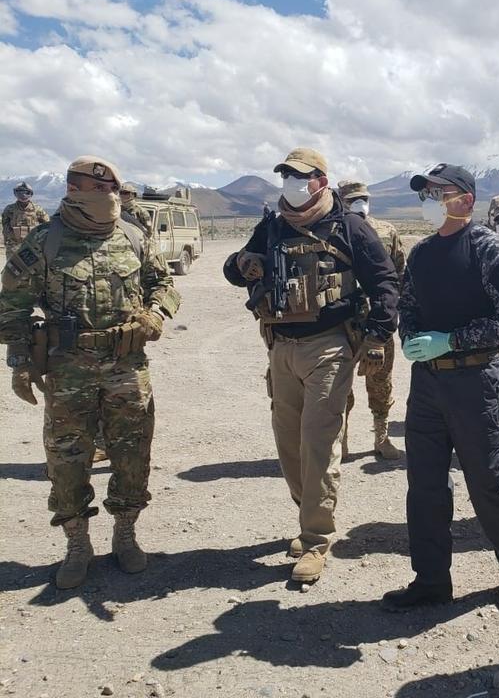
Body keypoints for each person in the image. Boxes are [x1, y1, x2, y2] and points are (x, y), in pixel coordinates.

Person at [0, 156, 180, 589]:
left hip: (127, 365)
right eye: (100, 189)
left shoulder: (133, 235)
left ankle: (126, 532)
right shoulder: (45, 241)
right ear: (74, 190)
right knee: (67, 459)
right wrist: (19, 361)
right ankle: (77, 543)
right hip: (68, 369)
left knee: (133, 453)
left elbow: (164, 284)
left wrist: (155, 314)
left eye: (113, 189)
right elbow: (12, 305)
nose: (110, 196)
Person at [224, 148, 398, 585]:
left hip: (329, 347)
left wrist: (377, 336)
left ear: (320, 181)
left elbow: (385, 282)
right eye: (285, 175)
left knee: (318, 442)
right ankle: (308, 515)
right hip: (280, 346)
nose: (291, 183)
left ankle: (317, 539)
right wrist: (244, 264)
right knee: (288, 444)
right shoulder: (273, 225)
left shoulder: (349, 227)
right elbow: (233, 270)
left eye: (299, 176)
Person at [381, 163, 499, 613]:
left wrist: (452, 340)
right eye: (425, 193)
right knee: (424, 485)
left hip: (475, 381)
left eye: (437, 192)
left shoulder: (490, 250)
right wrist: (411, 338)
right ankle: (431, 580)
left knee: (486, 482)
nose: (429, 201)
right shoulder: (422, 253)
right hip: (428, 383)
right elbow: (408, 306)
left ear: (465, 200)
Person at [337, 180, 405, 461]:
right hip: (342, 322)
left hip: (378, 319)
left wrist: (397, 312)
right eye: (352, 200)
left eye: (363, 198)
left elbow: (400, 275)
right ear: (340, 201)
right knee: (339, 382)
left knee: (381, 380)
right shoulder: (332, 231)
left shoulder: (386, 231)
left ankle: (382, 436)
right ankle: (340, 439)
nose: (359, 204)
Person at [3, 181, 49, 254]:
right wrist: (7, 240)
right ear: (15, 193)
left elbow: (47, 225)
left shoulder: (37, 209)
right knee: (12, 262)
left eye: (26, 193)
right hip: (13, 246)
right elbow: (5, 226)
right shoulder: (9, 209)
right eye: (20, 192)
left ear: (31, 194)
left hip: (32, 246)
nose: (23, 195)